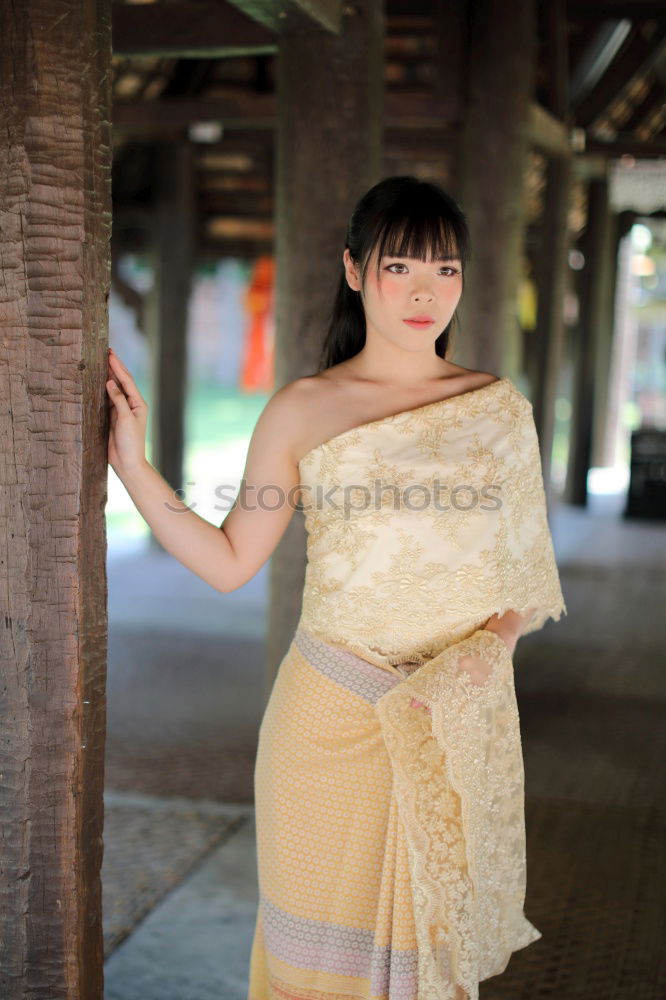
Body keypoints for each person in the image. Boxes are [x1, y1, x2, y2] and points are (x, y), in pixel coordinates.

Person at [106, 175, 567, 1000]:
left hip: (443, 722)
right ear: (355, 271)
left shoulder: (496, 410)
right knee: (312, 974)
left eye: (446, 270)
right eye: (401, 268)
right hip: (324, 721)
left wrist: (477, 659)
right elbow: (227, 561)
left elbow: (525, 580)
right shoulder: (304, 408)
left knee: (430, 966)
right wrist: (134, 469)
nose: (426, 292)